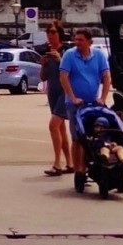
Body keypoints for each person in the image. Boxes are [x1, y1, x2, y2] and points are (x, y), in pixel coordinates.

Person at [60, 29, 112, 176]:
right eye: (76, 39)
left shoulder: (99, 55)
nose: (77, 43)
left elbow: (106, 76)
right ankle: (78, 171)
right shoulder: (70, 55)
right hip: (75, 104)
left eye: (81, 40)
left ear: (90, 42)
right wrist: (73, 97)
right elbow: (63, 77)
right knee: (77, 137)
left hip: (93, 103)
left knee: (93, 134)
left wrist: (102, 98)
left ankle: (90, 163)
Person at [40, 22, 70, 176]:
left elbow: (72, 72)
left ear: (59, 34)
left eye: (53, 32)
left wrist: (60, 59)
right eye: (48, 32)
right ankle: (70, 163)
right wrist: (43, 65)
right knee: (61, 128)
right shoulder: (47, 52)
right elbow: (43, 77)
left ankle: (57, 163)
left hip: (65, 92)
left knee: (53, 125)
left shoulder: (67, 52)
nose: (50, 35)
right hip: (53, 92)